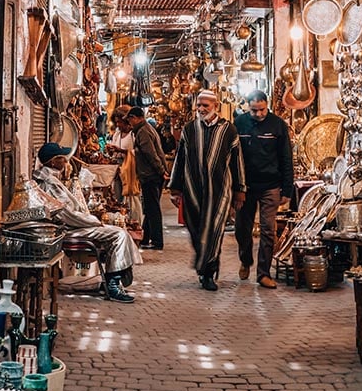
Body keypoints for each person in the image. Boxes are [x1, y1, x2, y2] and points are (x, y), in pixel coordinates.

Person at [32, 142, 140, 303]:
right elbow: (67, 214)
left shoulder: (52, 179)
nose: (66, 162)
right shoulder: (49, 183)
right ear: (53, 162)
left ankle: (114, 279)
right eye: (62, 159)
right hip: (66, 229)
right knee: (118, 234)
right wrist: (93, 221)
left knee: (117, 231)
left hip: (71, 225)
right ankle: (113, 284)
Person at [167, 89, 245, 291]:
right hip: (192, 189)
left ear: (215, 106)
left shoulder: (229, 130)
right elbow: (180, 159)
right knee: (196, 230)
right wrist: (175, 189)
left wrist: (239, 190)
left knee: (214, 231)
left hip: (220, 191)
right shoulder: (189, 129)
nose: (201, 109)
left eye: (205, 106)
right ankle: (205, 264)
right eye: (199, 105)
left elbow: (237, 162)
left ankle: (208, 272)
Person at [233, 89, 294, 290]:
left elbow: (286, 157)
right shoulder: (239, 124)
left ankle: (263, 273)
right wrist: (235, 187)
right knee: (242, 228)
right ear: (247, 107)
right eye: (254, 110)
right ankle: (245, 259)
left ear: (267, 105)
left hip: (271, 185)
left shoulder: (277, 125)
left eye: (262, 110)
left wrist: (287, 189)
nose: (258, 114)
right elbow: (233, 158)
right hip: (246, 186)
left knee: (268, 230)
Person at [126, 106, 167, 250]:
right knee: (150, 208)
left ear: (136, 118)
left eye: (130, 119)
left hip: (151, 175)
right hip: (152, 174)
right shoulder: (146, 129)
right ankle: (145, 238)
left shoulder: (143, 132)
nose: (129, 123)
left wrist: (161, 171)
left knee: (153, 209)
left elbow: (151, 154)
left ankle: (157, 241)